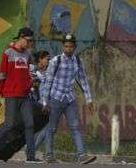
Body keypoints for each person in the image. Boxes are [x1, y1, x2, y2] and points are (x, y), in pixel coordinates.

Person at [0, 27, 41, 163]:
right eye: (28, 40)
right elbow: (1, 75)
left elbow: (28, 74)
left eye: (31, 41)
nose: (30, 43)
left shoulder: (28, 55)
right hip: (11, 94)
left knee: (29, 124)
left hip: (25, 95)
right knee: (9, 124)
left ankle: (31, 156)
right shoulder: (8, 53)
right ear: (21, 38)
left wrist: (32, 83)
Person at [40, 34, 96, 164]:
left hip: (70, 99)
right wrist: (45, 102)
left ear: (75, 47)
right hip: (56, 98)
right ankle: (49, 155)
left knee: (75, 127)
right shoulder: (56, 61)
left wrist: (89, 99)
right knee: (52, 128)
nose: (68, 49)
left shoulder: (77, 60)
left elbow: (83, 80)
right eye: (66, 46)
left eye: (71, 46)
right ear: (63, 47)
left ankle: (82, 155)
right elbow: (48, 82)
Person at [30, 51, 50, 151]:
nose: (49, 61)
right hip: (36, 104)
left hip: (46, 103)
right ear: (40, 60)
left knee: (47, 128)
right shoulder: (32, 71)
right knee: (43, 128)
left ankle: (47, 153)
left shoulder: (49, 72)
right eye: (47, 59)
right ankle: (32, 149)